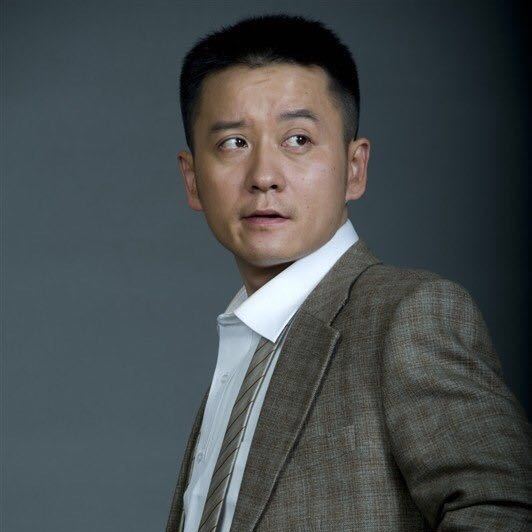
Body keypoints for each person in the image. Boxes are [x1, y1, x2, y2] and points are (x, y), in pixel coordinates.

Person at [165, 13, 531, 532]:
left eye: (297, 139)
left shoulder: (409, 316)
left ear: (354, 168)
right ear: (192, 180)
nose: (264, 177)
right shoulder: (242, 350)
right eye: (234, 143)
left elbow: (506, 510)